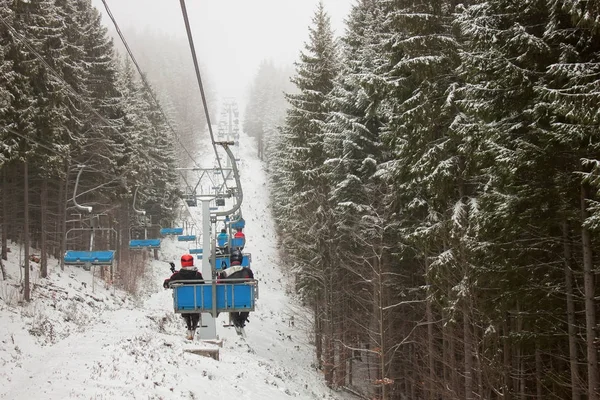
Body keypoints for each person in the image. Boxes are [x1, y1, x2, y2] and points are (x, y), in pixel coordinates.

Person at [163, 254, 204, 340]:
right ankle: (193, 329)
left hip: (183, 303)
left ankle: (189, 329)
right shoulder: (198, 275)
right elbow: (202, 286)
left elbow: (168, 282)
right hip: (196, 302)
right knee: (195, 312)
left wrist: (167, 282)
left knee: (186, 311)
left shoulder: (177, 276)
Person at [219, 249, 254, 328]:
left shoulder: (225, 272)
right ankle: (242, 320)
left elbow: (219, 284)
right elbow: (252, 282)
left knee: (231, 302)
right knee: (247, 304)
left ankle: (236, 319)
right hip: (245, 298)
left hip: (230, 299)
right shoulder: (248, 271)